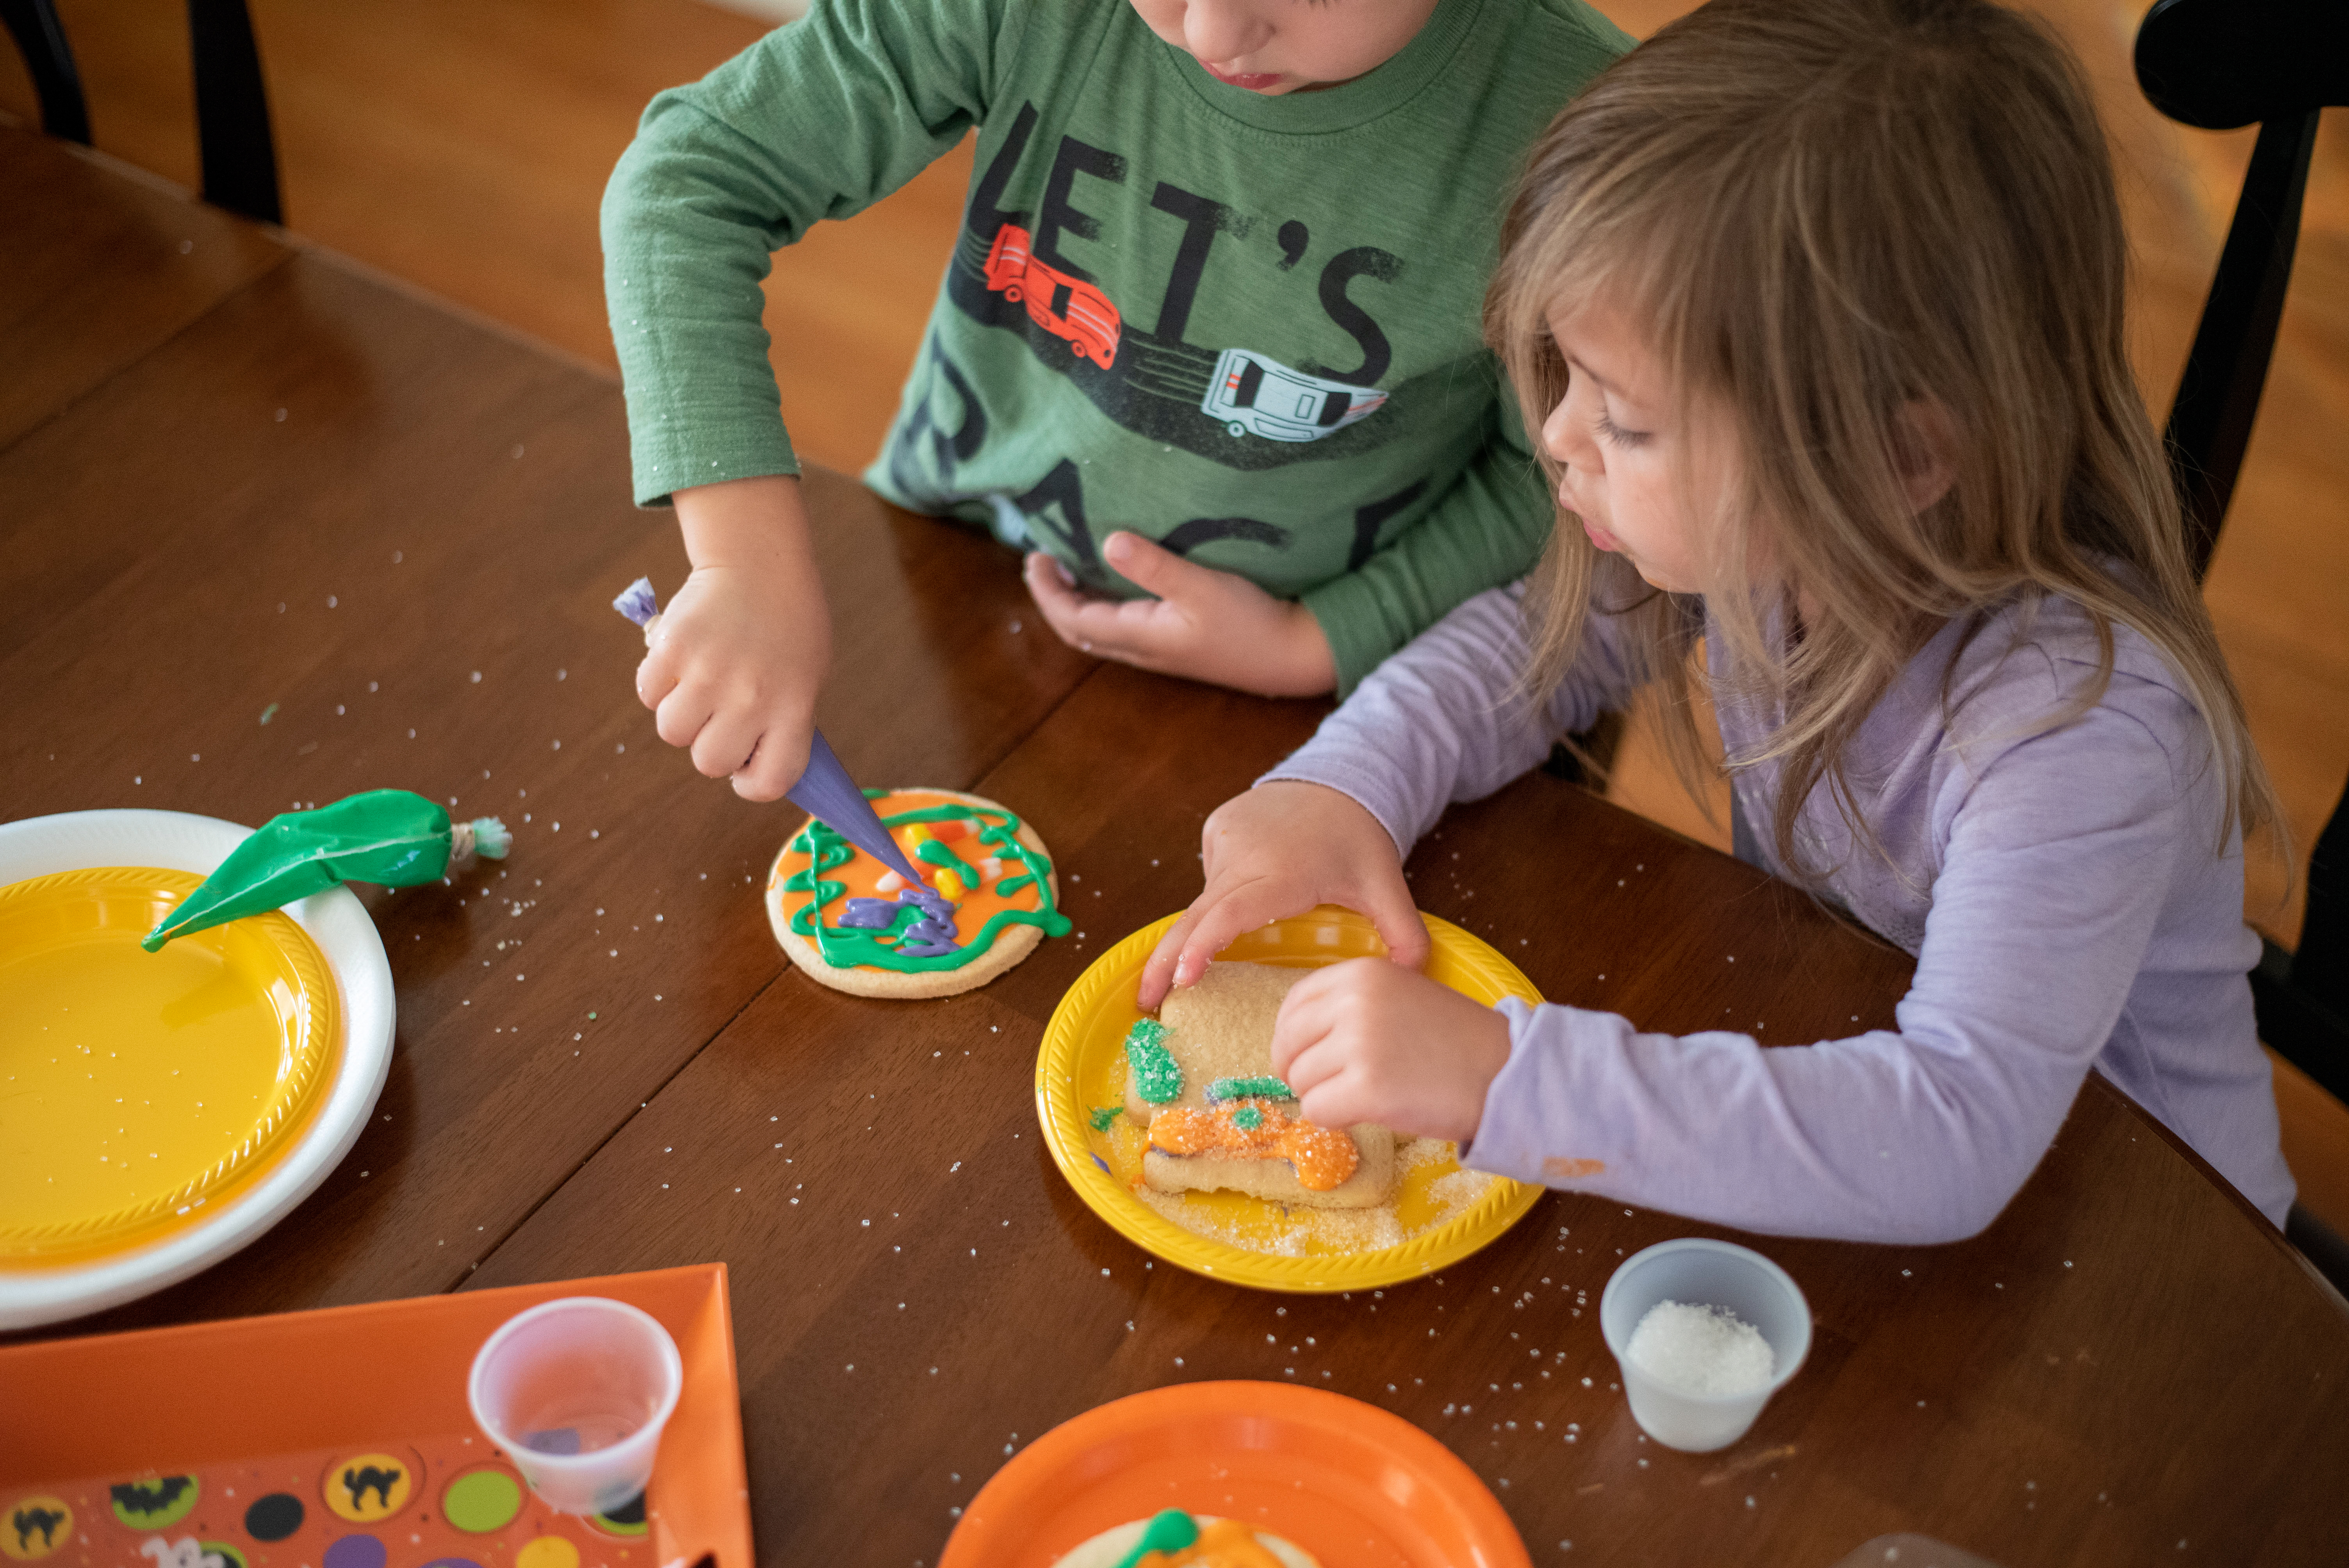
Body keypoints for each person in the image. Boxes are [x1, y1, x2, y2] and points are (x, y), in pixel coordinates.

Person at [1139, 0, 2296, 1242]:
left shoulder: (2080, 732)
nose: (1556, 438)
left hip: (2151, 1264)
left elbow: (1950, 1135)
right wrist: (1347, 788)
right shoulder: (1783, 536)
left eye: (1626, 423)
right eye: (1563, 377)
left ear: (1899, 458)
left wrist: (1502, 1079)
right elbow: (1531, 650)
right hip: (1851, 1138)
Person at [603, 0, 1631, 800]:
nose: (1215, 30)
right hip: (963, 580)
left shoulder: (1586, 125)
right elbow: (688, 184)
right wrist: (744, 562)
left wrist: (1315, 641)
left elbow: (1559, 479)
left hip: (1349, 712)